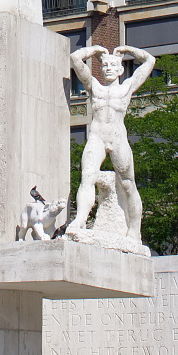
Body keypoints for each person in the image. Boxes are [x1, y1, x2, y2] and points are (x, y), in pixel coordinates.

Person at [68, 45, 155, 242]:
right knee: (87, 176)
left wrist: (127, 49)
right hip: (97, 137)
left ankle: (134, 229)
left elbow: (150, 61)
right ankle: (80, 219)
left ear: (121, 70)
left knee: (128, 184)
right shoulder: (94, 87)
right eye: (105, 65)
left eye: (113, 65)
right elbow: (75, 58)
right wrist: (94, 49)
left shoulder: (127, 87)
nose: (108, 68)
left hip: (118, 138)